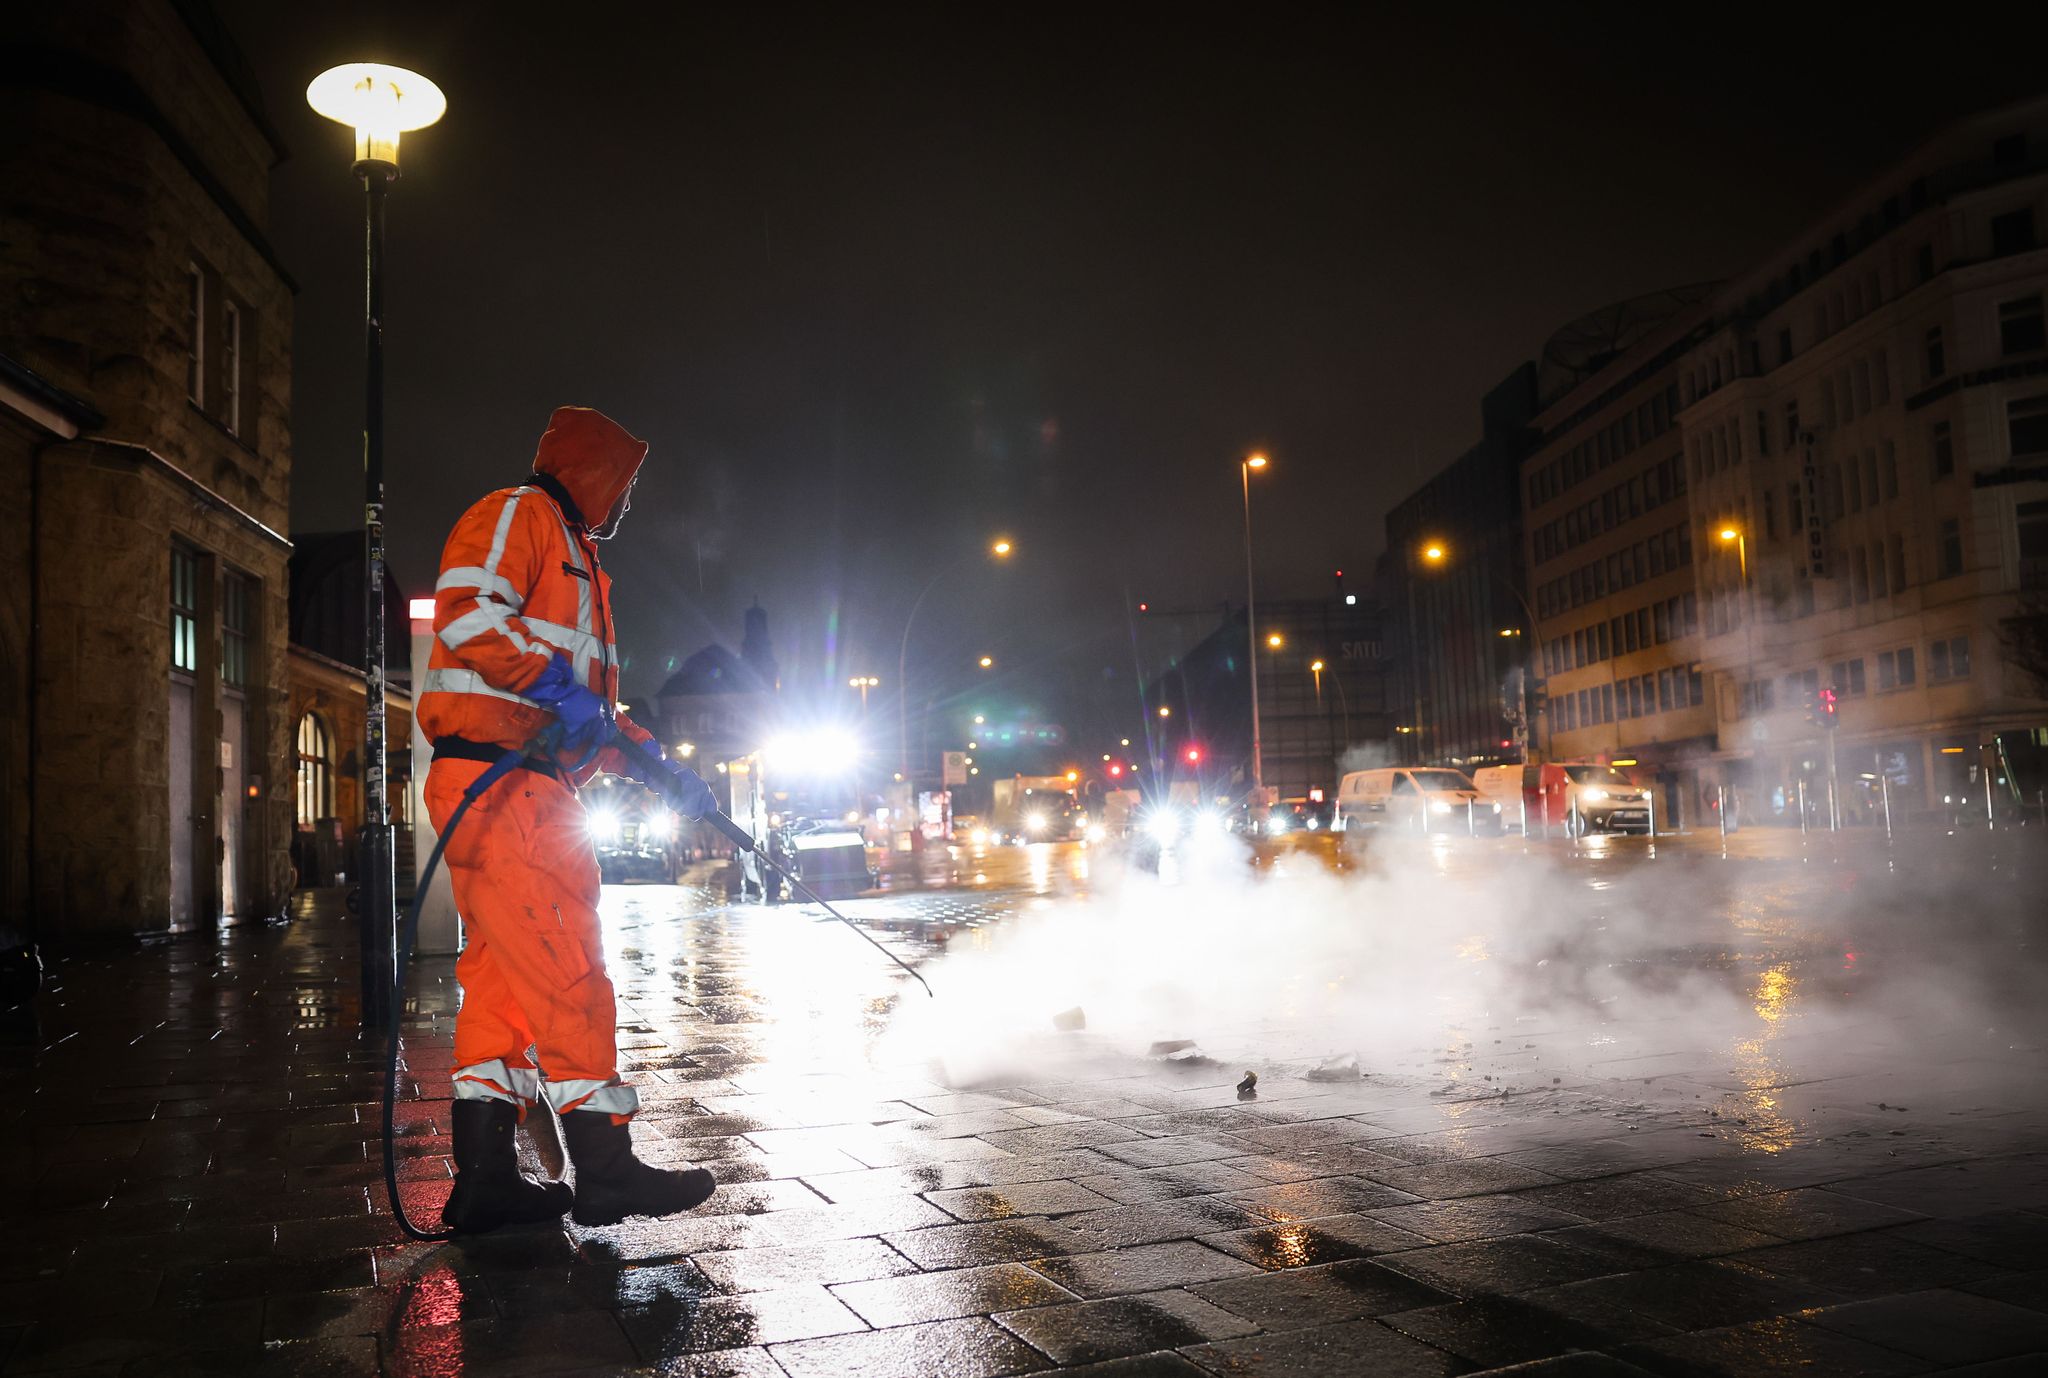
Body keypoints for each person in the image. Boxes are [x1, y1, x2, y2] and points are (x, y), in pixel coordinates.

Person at [419, 406, 720, 1232]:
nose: (627, 503)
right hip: (506, 787)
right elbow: (473, 616)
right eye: (624, 484)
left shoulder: (578, 560)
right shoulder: (520, 516)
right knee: (568, 971)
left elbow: (591, 715)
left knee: (504, 989)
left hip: (512, 783)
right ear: (598, 474)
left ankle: (484, 1181)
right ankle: (607, 1169)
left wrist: (661, 769)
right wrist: (558, 692)